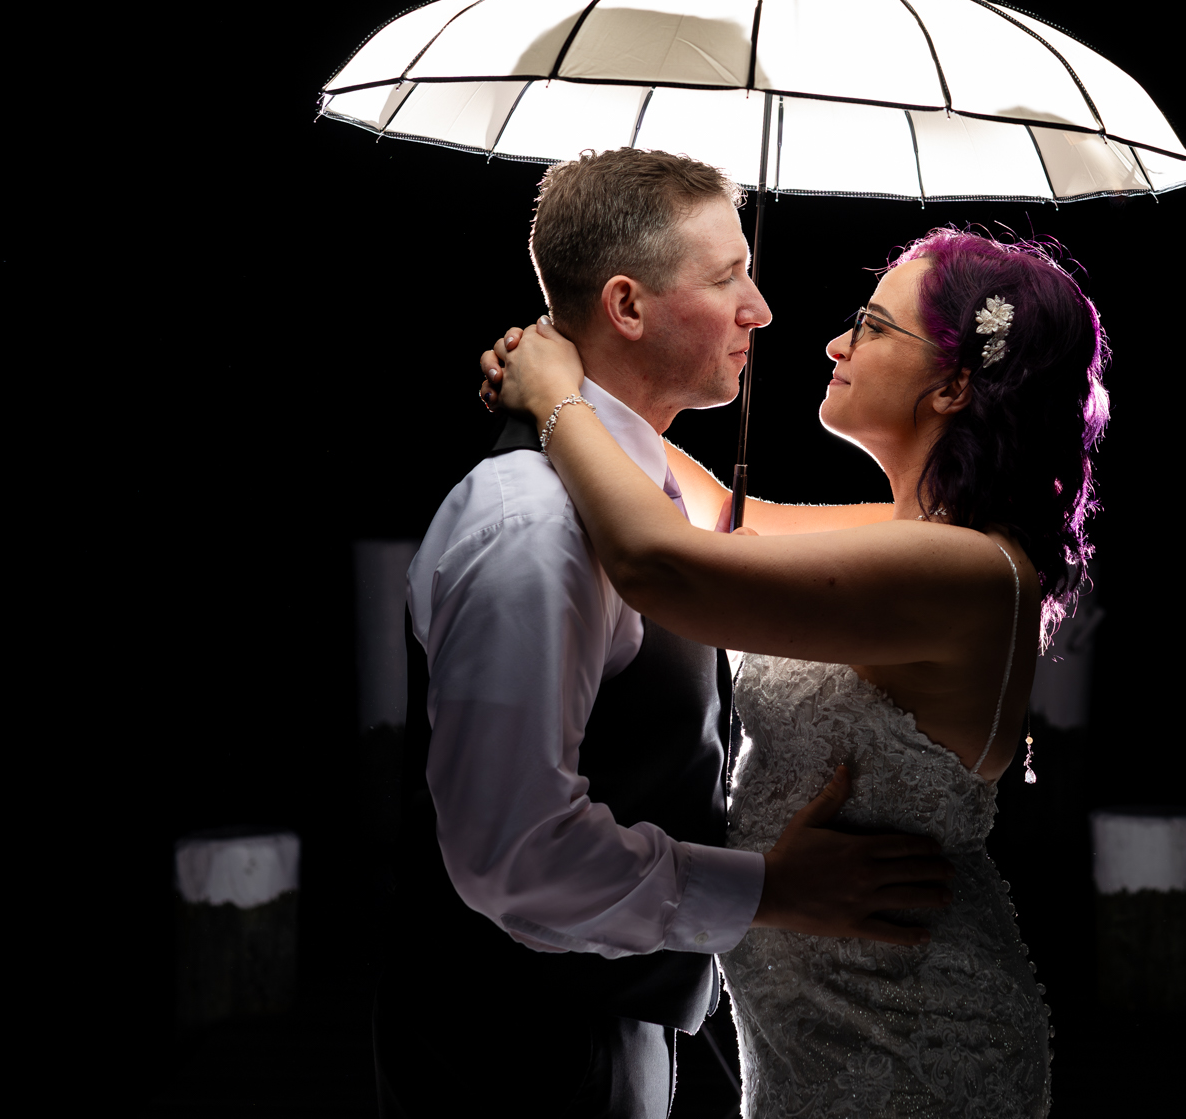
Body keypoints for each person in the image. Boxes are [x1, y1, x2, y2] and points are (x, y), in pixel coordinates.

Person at [376, 149, 955, 1119]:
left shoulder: (643, 497)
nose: (761, 310)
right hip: (513, 1061)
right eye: (726, 277)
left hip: (621, 1023)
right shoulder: (533, 526)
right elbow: (517, 855)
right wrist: (766, 888)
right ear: (627, 306)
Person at [483, 223, 1108, 1118]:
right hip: (815, 1031)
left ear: (956, 384)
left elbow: (664, 565)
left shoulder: (968, 573)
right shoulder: (908, 546)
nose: (835, 341)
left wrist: (555, 406)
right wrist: (581, 380)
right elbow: (715, 517)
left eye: (873, 325)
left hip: (908, 1040)